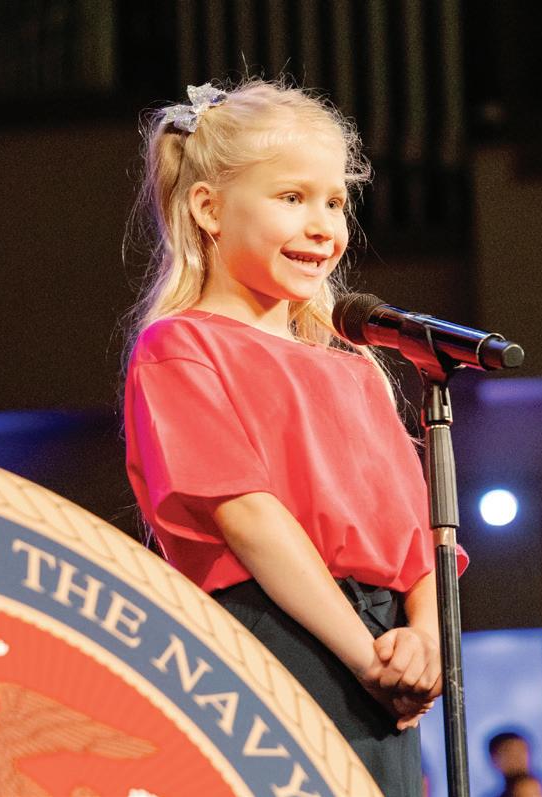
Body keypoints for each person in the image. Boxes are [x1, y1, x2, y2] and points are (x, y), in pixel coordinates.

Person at [122, 79, 468, 797]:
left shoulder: (357, 369)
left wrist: (426, 640)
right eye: (291, 197)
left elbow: (420, 539)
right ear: (208, 208)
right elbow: (250, 519)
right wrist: (365, 657)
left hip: (383, 652)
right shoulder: (181, 347)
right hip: (276, 635)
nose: (323, 225)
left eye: (335, 202)